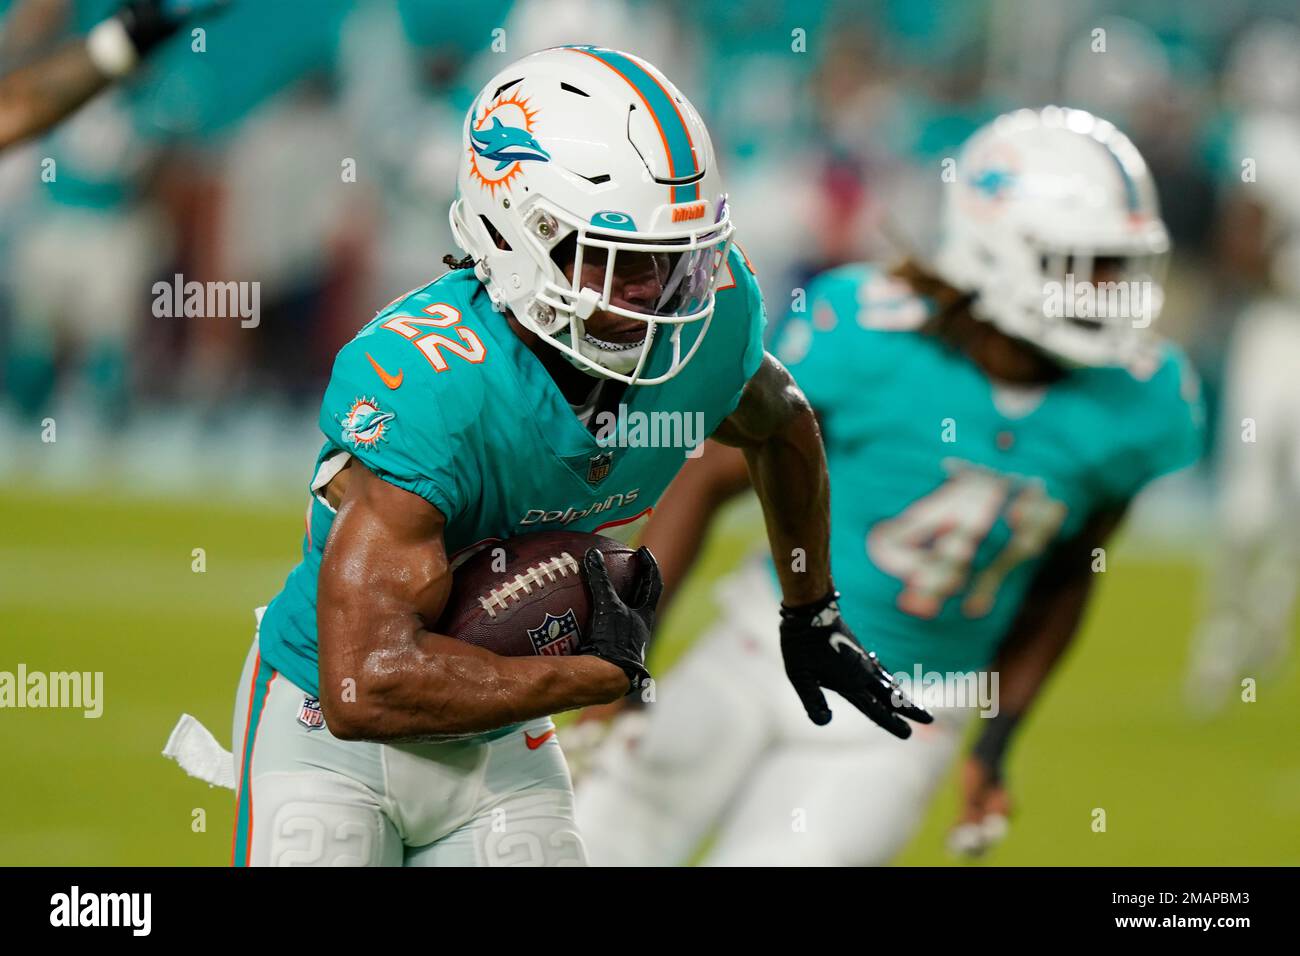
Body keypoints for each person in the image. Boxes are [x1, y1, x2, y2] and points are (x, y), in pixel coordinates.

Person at [225, 46, 928, 867]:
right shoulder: (433, 384)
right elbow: (366, 682)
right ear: (518, 234)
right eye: (627, 262)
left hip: (498, 740)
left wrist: (811, 611)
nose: (663, 297)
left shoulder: (705, 329)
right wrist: (593, 678)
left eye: (678, 262)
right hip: (327, 731)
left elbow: (785, 426)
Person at [574, 106, 1204, 866]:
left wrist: (995, 746)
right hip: (754, 647)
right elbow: (707, 478)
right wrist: (622, 664)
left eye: (1119, 266)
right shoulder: (869, 336)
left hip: (905, 713)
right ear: (995, 249)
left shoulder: (1141, 400)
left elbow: (1067, 576)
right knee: (592, 844)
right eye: (1085, 264)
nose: (1111, 291)